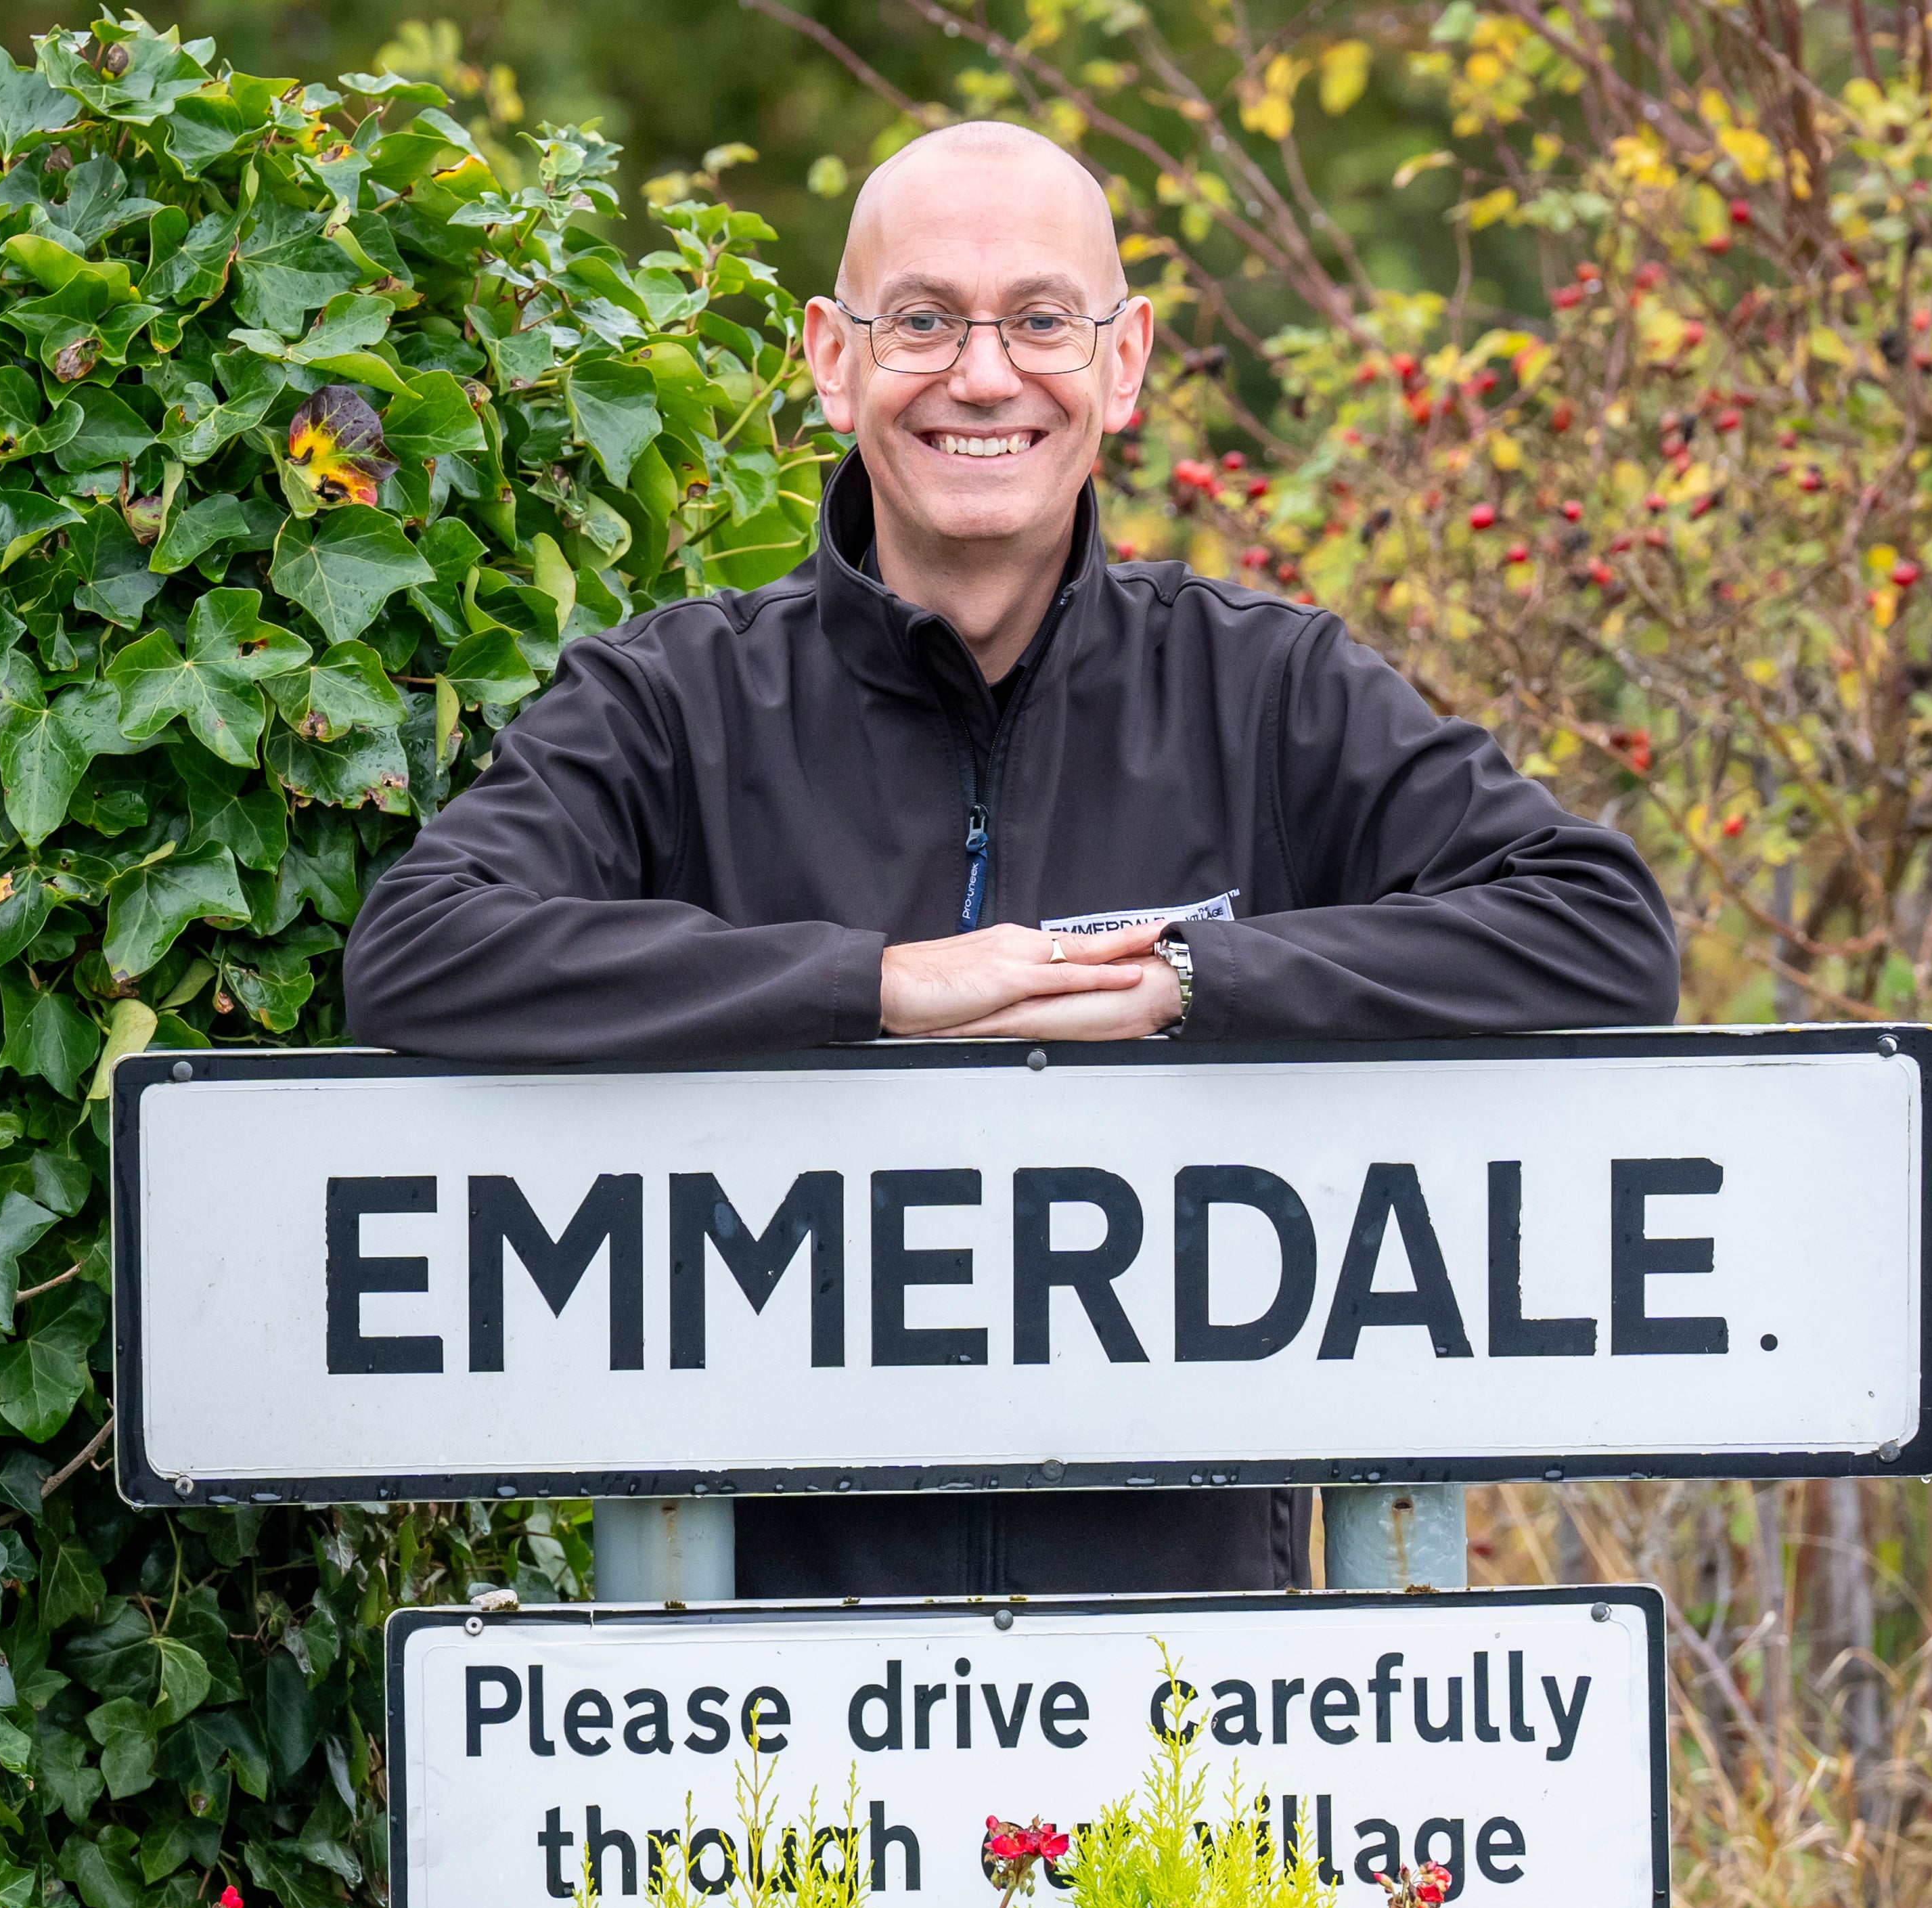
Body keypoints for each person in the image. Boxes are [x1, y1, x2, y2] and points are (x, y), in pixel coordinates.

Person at [341, 120, 1678, 1599]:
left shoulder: (1266, 690)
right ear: (831, 359)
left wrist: (1194, 979)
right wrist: (873, 988)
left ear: (1124, 359)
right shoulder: (673, 701)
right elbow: (421, 948)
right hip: (768, 1721)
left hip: (1202, 1711)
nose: (984, 375)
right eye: (922, 321)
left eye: (1041, 319)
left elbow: (1597, 927)